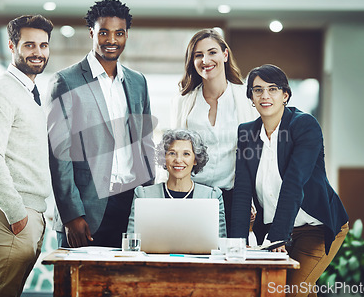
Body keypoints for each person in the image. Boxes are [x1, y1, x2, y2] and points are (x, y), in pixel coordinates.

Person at [231, 64, 349, 297]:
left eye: (272, 89)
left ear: (285, 95)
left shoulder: (303, 125)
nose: (265, 95)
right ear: (251, 98)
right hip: (278, 228)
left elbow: (294, 184)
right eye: (257, 90)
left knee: (290, 292)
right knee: (292, 290)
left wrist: (277, 238)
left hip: (315, 226)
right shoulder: (248, 133)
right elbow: (242, 190)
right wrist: (237, 242)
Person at [46, 0, 155, 248]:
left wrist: (147, 198)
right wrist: (72, 214)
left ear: (127, 34)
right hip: (86, 210)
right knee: (78, 286)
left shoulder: (138, 82)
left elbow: (145, 143)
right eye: (104, 32)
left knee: (127, 285)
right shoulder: (66, 81)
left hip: (132, 207)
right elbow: (58, 154)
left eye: (119, 33)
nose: (111, 40)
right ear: (92, 33)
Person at [0, 14, 54, 296]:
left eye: (43, 45)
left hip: (30, 216)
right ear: (12, 46)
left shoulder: (29, 93)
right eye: (29, 45)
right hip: (13, 217)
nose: (38, 52)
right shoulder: (2, 90)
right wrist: (16, 213)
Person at [171, 28, 258, 235]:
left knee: (232, 260)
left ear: (225, 55)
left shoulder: (246, 98)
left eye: (212, 52)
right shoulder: (184, 101)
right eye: (198, 55)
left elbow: (256, 153)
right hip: (193, 195)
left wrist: (253, 199)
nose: (205, 60)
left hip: (235, 197)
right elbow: (176, 153)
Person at [127, 129, 227, 237]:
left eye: (186, 154)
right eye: (172, 153)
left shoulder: (212, 196)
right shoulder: (143, 195)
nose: (178, 160)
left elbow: (220, 246)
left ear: (195, 160)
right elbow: (131, 242)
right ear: (164, 158)